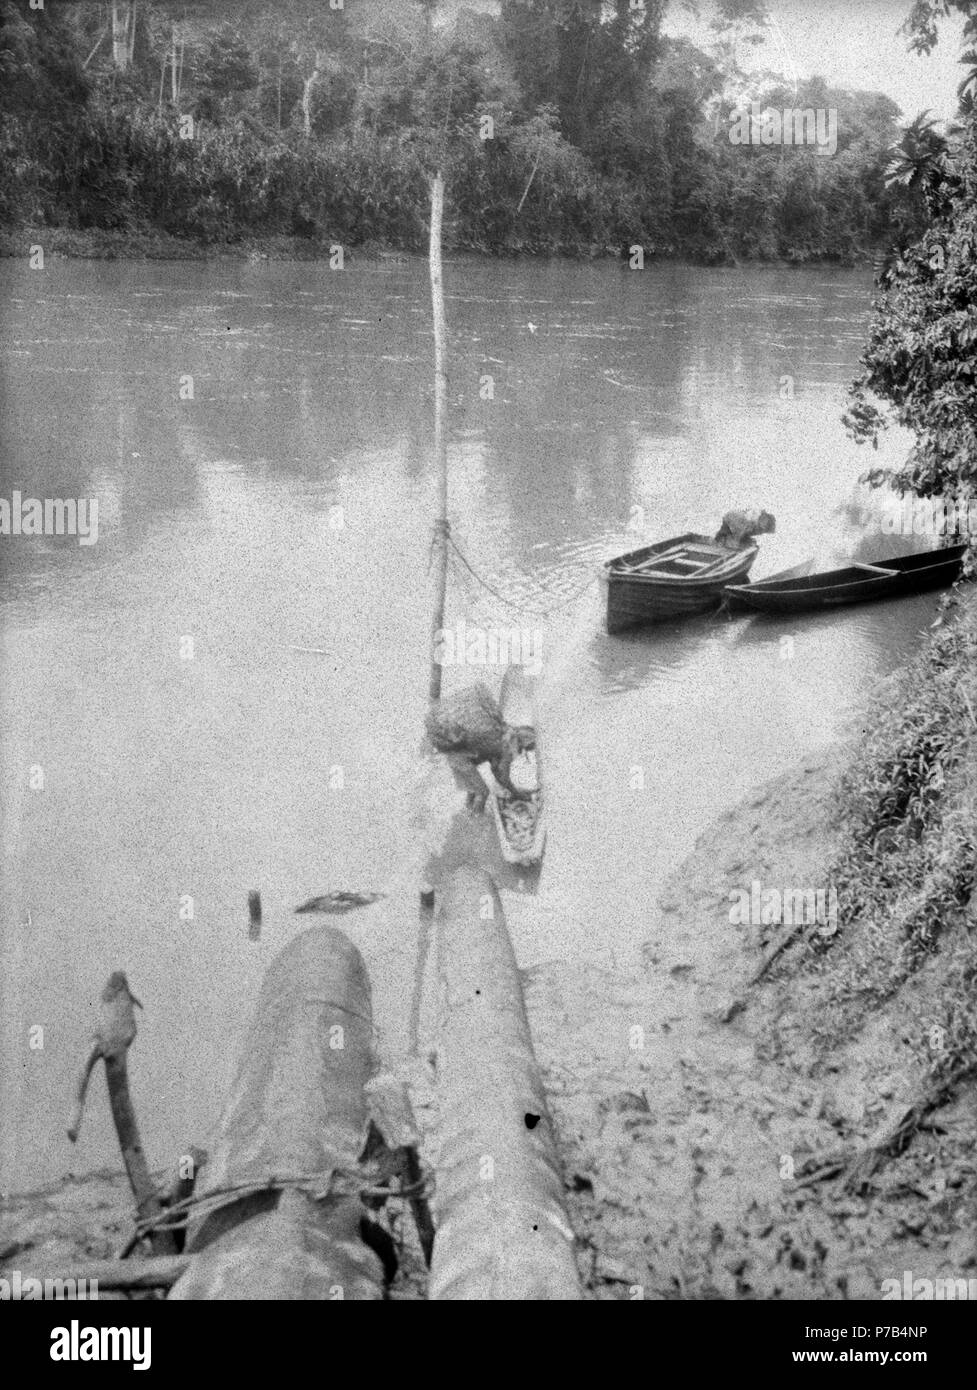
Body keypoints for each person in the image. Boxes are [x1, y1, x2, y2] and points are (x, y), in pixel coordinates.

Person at [426, 682, 536, 814]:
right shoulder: (507, 747)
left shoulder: (499, 729)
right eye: (525, 749)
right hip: (460, 758)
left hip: (455, 755)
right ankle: (476, 820)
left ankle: (466, 813)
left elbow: (497, 770)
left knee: (473, 789)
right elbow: (502, 776)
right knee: (483, 792)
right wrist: (516, 793)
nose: (521, 751)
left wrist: (513, 791)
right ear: (522, 744)